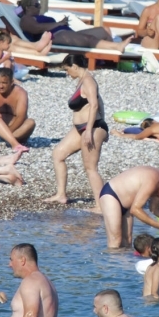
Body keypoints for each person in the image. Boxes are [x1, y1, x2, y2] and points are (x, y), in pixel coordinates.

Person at [45, 55, 108, 206]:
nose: (67, 73)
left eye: (67, 70)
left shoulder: (88, 81)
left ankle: (101, 206)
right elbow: (101, 102)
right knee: (58, 154)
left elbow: (94, 105)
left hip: (91, 127)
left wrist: (90, 131)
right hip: (80, 128)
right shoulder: (82, 80)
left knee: (90, 168)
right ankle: (61, 194)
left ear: (75, 66)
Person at [97, 166, 159, 250]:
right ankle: (110, 265)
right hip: (112, 195)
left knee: (127, 242)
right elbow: (135, 209)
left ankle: (121, 265)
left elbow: (154, 208)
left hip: (128, 205)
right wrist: (157, 225)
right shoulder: (153, 180)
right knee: (115, 240)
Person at [17, 0, 125, 51]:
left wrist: (61, 23)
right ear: (27, 7)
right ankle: (116, 47)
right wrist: (58, 24)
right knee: (89, 39)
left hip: (63, 32)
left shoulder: (38, 16)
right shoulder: (26, 19)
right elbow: (36, 29)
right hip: (54, 36)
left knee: (104, 30)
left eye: (39, 4)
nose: (40, 7)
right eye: (36, 5)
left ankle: (109, 57)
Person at [8, 243, 58, 317]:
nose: (10, 264)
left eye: (11, 260)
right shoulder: (47, 282)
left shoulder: (30, 281)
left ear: (22, 260)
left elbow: (31, 315)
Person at [0, 67, 35, 148]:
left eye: (4, 83)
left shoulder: (20, 93)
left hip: (16, 130)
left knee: (31, 122)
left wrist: (7, 133)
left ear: (12, 82)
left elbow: (21, 116)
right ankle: (2, 138)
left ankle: (10, 139)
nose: (0, 86)